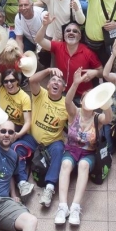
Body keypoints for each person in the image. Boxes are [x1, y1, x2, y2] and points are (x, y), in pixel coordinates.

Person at [54, 69, 111, 227]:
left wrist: (104, 102)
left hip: (88, 153)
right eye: (87, 98)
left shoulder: (97, 117)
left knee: (84, 165)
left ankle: (75, 208)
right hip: (71, 150)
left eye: (93, 99)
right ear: (82, 101)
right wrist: (76, 82)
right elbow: (67, 101)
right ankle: (62, 207)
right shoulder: (75, 113)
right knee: (65, 164)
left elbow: (109, 118)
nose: (89, 102)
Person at [13, 63, 69, 205]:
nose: (56, 83)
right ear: (48, 85)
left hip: (52, 144)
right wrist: (50, 69)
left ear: (63, 88)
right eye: (53, 80)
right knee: (16, 148)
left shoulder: (66, 103)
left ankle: (49, 189)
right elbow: (32, 80)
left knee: (59, 149)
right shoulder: (41, 94)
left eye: (59, 82)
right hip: (33, 140)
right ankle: (22, 183)